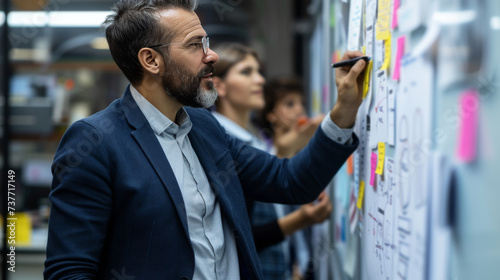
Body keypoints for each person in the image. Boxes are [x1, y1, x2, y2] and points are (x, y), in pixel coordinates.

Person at [44, 0, 367, 279]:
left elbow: (290, 182)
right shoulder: (96, 142)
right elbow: (69, 271)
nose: (211, 55)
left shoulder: (204, 127)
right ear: (151, 60)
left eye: (206, 41)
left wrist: (344, 109)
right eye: (194, 44)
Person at [211, 43, 332, 279]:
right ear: (219, 86)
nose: (260, 81)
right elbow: (236, 239)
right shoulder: (221, 146)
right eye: (246, 72)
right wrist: (300, 220)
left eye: (259, 71)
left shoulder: (251, 140)